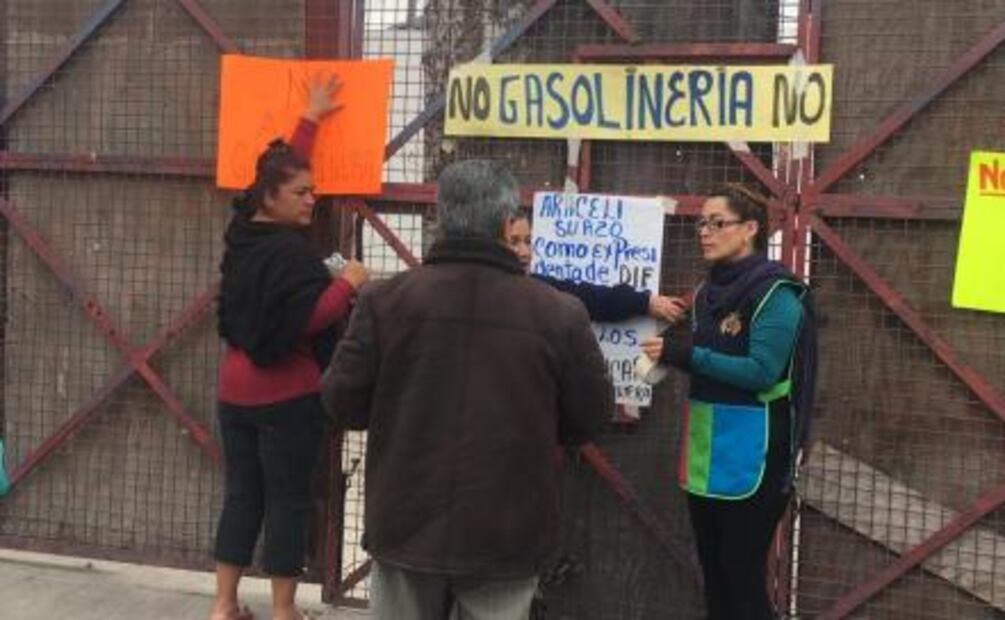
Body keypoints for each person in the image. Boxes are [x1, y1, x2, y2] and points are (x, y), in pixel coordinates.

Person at [321, 160, 613, 620]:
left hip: (404, 525)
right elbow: (590, 418)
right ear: (505, 224)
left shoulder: (385, 301)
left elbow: (341, 402)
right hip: (506, 533)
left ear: (441, 217)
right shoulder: (558, 313)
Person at [211, 76, 370, 620]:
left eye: (313, 191)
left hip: (233, 394)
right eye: (302, 193)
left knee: (242, 497)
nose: (312, 198)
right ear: (273, 198)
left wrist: (309, 119)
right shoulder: (292, 256)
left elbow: (277, 172)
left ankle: (225, 605)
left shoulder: (243, 237)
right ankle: (284, 611)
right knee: (287, 500)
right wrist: (348, 282)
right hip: (286, 397)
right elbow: (310, 318)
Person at [640, 186, 816, 620]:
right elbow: (714, 351)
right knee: (715, 577)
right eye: (702, 223)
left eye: (718, 223)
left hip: (757, 451)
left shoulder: (777, 294)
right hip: (706, 446)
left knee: (742, 579)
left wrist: (685, 355)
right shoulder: (704, 295)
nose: (705, 232)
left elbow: (761, 372)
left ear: (750, 229)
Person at [503, 212, 686, 324]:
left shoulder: (539, 289)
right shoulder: (484, 293)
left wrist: (644, 302)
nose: (525, 252)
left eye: (528, 241)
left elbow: (588, 298)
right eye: (514, 242)